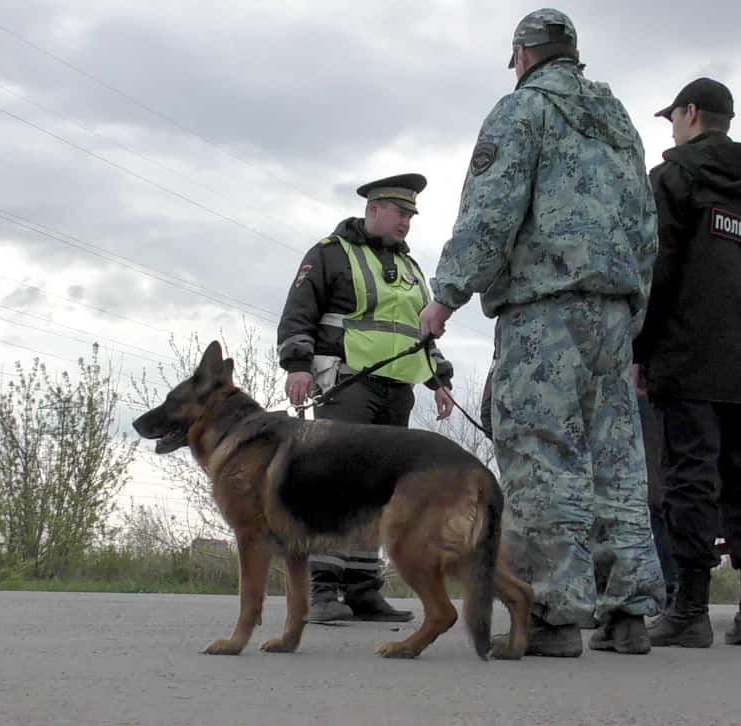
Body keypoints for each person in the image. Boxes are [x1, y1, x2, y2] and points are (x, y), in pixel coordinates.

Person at [419, 8, 664, 657]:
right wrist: (631, 312)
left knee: (541, 454)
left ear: (523, 55)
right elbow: (647, 229)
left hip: (544, 311)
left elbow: (491, 210)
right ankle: (627, 612)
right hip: (613, 314)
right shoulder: (621, 125)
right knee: (616, 461)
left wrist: (446, 294)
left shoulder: (522, 111)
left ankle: (551, 612)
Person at [634, 78, 741, 648]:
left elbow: (657, 272)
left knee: (688, 480)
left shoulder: (673, 179)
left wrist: (641, 351)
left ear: (691, 113)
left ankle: (690, 611)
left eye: (673, 117)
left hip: (685, 355)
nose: (672, 128)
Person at [277, 172, 456, 623]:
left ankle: (362, 590)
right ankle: (322, 590)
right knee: (334, 482)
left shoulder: (411, 268)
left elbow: (420, 332)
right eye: (400, 213)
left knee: (379, 490)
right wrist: (297, 366)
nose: (406, 222)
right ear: (373, 209)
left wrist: (440, 380)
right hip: (347, 384)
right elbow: (298, 313)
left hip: (397, 390)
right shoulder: (330, 253)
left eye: (411, 215)